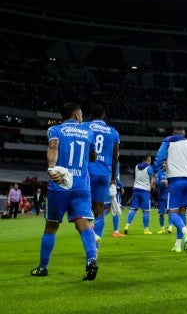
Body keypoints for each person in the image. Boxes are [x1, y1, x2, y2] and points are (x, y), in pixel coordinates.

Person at [31, 102, 99, 280]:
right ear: (77, 115)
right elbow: (93, 156)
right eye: (81, 114)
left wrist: (51, 168)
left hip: (60, 184)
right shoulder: (88, 131)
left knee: (51, 225)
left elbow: (53, 148)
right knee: (83, 223)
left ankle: (43, 267)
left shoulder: (56, 130)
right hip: (81, 186)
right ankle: (91, 259)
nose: (82, 117)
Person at [153, 126, 187, 252]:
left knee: (172, 212)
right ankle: (178, 245)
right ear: (184, 133)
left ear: (173, 132)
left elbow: (159, 158)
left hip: (175, 181)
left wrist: (154, 173)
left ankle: (185, 230)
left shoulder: (168, 141)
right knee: (182, 212)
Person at [82, 105, 120, 245]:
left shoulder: (85, 126)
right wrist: (113, 178)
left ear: (91, 115)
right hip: (104, 173)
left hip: (86, 171)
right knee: (99, 210)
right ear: (104, 116)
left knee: (84, 208)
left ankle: (89, 243)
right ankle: (96, 245)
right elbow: (115, 157)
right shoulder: (113, 132)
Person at [124, 153, 155, 235]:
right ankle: (146, 229)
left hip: (136, 189)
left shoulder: (136, 166)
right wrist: (152, 186)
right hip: (145, 191)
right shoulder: (149, 168)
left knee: (133, 209)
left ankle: (127, 225)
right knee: (146, 211)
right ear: (149, 160)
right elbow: (151, 179)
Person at [155, 162, 173, 234]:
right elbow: (156, 183)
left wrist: (168, 181)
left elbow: (175, 183)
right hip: (162, 196)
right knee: (161, 214)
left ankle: (170, 227)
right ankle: (162, 228)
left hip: (170, 196)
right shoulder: (159, 173)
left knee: (170, 212)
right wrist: (161, 182)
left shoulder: (172, 172)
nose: (164, 165)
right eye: (163, 163)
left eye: (165, 163)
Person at [109, 162, 126, 237]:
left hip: (106, 187)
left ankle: (94, 225)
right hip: (114, 188)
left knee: (105, 209)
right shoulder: (116, 162)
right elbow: (115, 176)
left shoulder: (108, 160)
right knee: (116, 210)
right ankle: (116, 231)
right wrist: (121, 186)